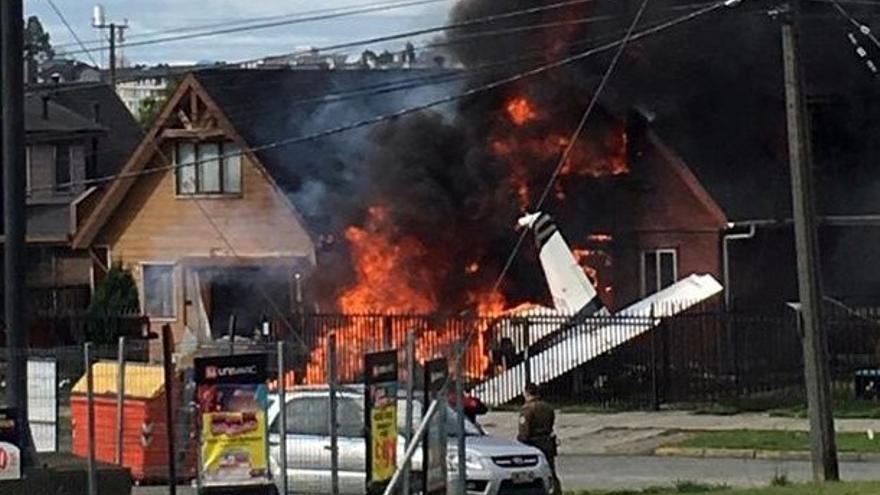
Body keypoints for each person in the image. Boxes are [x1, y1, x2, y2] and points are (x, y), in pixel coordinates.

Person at [517, 383, 560, 494]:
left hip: (534, 444)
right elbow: (551, 424)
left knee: (530, 474)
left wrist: (520, 444)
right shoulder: (548, 407)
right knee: (551, 471)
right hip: (547, 442)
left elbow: (524, 431)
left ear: (526, 393)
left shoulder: (527, 409)